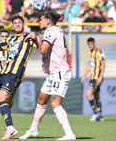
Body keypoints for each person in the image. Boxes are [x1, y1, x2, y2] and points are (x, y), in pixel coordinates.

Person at [0, 15, 38, 139]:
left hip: (14, 74)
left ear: (24, 25)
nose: (17, 24)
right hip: (1, 73)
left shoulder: (29, 37)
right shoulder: (9, 40)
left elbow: (43, 48)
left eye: (20, 22)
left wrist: (37, 38)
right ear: (12, 26)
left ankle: (10, 129)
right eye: (15, 23)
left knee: (2, 99)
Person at [19, 11, 76, 140]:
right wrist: (37, 37)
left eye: (41, 19)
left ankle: (69, 133)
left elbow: (43, 50)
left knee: (55, 104)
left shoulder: (50, 31)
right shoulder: (56, 31)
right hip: (53, 74)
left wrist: (36, 39)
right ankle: (33, 129)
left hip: (59, 73)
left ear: (48, 22)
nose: (39, 21)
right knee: (41, 99)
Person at [81, 37, 105, 122]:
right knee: (96, 97)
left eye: (91, 44)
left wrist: (100, 77)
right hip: (92, 78)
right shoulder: (90, 53)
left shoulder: (100, 52)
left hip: (97, 78)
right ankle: (101, 116)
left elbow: (103, 65)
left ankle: (95, 113)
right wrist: (84, 76)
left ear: (94, 43)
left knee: (88, 94)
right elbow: (89, 65)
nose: (90, 46)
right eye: (88, 44)